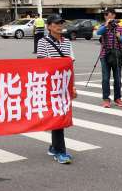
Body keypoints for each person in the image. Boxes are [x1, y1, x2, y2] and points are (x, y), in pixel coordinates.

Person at [37, 14, 77, 164]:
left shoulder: (67, 42)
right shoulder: (43, 42)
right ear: (49, 26)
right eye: (56, 24)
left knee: (59, 116)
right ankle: (60, 151)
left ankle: (54, 147)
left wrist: (72, 85)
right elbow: (42, 64)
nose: (59, 26)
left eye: (61, 23)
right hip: (51, 84)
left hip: (64, 84)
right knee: (59, 116)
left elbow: (70, 64)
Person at [96, 9, 122, 108]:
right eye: (107, 16)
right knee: (105, 78)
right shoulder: (103, 27)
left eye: (111, 16)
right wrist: (106, 25)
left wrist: (119, 36)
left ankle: (118, 98)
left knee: (117, 78)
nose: (109, 18)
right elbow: (98, 33)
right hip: (104, 55)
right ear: (105, 17)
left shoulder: (120, 28)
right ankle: (106, 99)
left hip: (117, 56)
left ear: (114, 16)